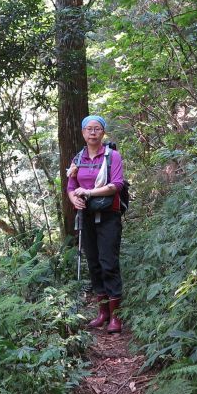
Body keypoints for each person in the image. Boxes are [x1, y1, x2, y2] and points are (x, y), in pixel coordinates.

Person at [67, 114, 125, 334]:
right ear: (83, 133)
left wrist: (89, 192)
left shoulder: (112, 156)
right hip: (87, 216)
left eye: (97, 129)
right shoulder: (78, 159)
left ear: (103, 132)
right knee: (94, 263)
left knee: (108, 262)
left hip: (109, 215)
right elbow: (71, 186)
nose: (93, 132)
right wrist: (74, 198)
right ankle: (103, 313)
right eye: (89, 129)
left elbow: (116, 185)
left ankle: (116, 316)